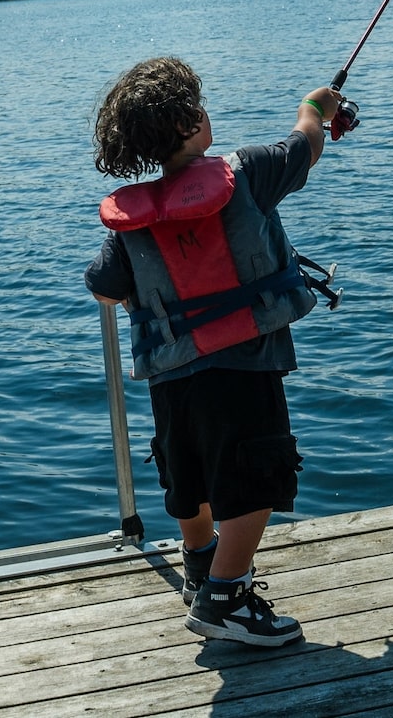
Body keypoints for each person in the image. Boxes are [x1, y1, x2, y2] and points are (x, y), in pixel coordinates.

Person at [85, 56, 344, 648]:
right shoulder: (249, 172)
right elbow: (305, 145)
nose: (205, 114)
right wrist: (317, 108)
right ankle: (224, 599)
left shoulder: (130, 218)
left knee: (189, 470)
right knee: (260, 475)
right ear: (188, 127)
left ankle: (201, 566)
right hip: (245, 365)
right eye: (195, 108)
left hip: (172, 374)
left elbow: (104, 286)